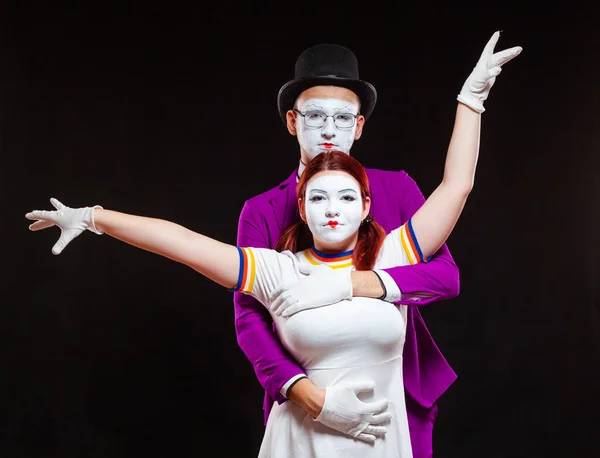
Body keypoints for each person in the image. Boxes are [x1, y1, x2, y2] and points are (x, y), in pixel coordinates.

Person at [25, 32, 521, 457]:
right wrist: (93, 217)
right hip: (304, 418)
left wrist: (471, 99)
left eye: (348, 196)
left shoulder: (391, 246)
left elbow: (456, 190)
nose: (334, 208)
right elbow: (181, 243)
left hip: (391, 414)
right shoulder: (279, 269)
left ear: (367, 204)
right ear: (300, 207)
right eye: (319, 196)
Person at [232, 32, 521, 457]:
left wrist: (357, 283)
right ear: (293, 122)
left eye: (343, 118)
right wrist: (307, 396)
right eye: (314, 116)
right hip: (303, 400)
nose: (329, 130)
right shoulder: (260, 211)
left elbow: (444, 276)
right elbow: (249, 321)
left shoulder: (396, 190)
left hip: (395, 390)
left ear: (360, 126)